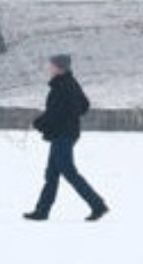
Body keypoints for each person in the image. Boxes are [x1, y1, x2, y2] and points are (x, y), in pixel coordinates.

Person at [23, 54, 109, 222]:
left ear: (60, 68)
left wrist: (38, 123)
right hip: (64, 134)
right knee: (52, 174)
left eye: (52, 65)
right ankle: (42, 211)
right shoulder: (70, 83)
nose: (49, 68)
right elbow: (83, 105)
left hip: (63, 135)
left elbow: (55, 113)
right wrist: (71, 116)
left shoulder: (63, 86)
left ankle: (97, 205)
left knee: (69, 172)